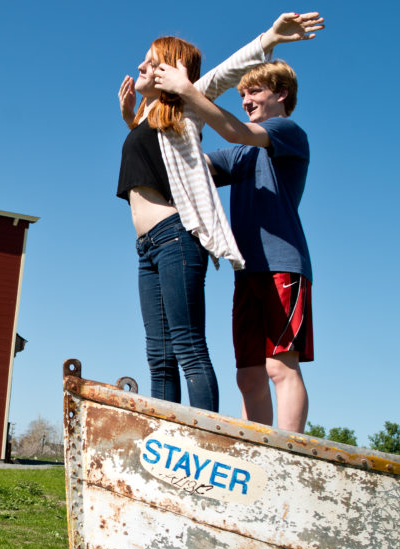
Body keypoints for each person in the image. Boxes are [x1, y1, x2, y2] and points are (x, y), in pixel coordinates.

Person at [116, 12, 324, 412]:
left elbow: (228, 86)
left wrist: (271, 38)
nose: (141, 66)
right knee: (228, 370)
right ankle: (223, 445)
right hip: (216, 260)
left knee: (263, 364)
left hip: (256, 255)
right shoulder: (178, 129)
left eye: (151, 61)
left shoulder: (275, 130)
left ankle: (252, 449)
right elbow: (185, 163)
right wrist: (133, 123)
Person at [156, 54, 319, 432]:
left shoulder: (286, 132)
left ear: (280, 93)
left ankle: (289, 457)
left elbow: (237, 132)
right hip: (246, 271)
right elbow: (189, 165)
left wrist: (187, 90)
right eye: (241, 94)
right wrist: (154, 119)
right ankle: (255, 453)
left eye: (254, 91)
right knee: (248, 375)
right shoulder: (239, 155)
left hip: (283, 265)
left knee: (280, 366)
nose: (245, 100)